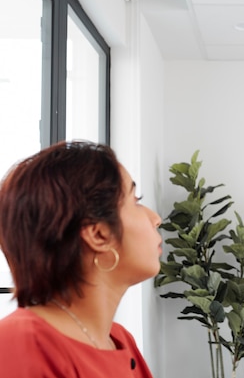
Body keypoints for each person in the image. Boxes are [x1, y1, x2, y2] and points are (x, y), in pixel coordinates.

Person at [0, 141, 162, 377]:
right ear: (98, 234)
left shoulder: (120, 340)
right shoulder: (19, 346)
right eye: (135, 201)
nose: (155, 218)